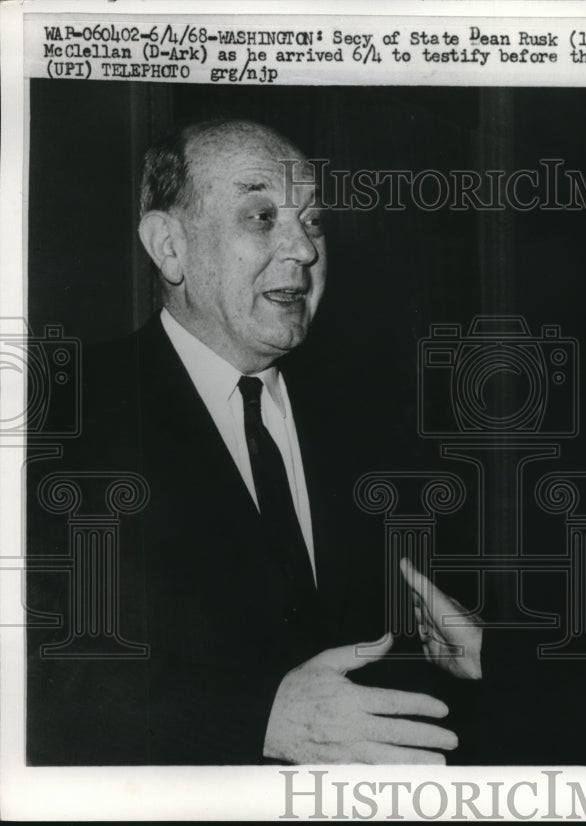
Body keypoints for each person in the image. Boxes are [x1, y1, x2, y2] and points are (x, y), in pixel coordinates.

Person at [26, 118, 480, 766]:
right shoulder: (55, 417)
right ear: (169, 246)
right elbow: (30, 676)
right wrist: (255, 719)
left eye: (314, 221)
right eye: (262, 216)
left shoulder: (376, 425)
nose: (304, 249)